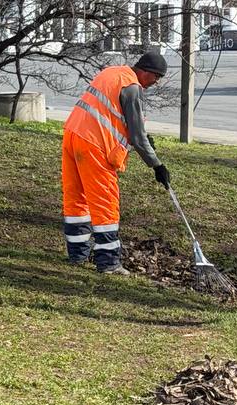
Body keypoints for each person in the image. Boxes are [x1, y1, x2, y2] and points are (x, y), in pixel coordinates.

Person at [61, 50, 171, 275]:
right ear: (146, 72)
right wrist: (157, 166)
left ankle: (78, 255)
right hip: (95, 145)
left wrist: (136, 135)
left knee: (76, 198)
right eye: (156, 77)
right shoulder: (132, 87)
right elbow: (138, 137)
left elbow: (111, 114)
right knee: (105, 202)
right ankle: (109, 262)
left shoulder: (112, 72)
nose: (156, 83)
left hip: (72, 136)